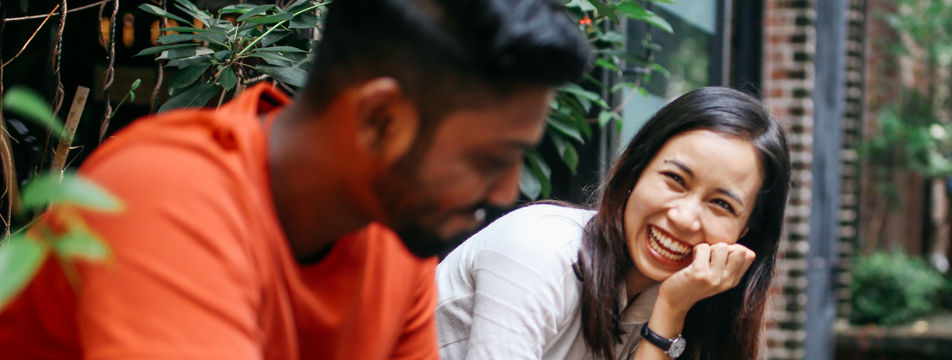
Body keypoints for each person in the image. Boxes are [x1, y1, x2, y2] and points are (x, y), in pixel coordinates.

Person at [0, 0, 589, 358]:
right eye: (489, 159)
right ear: (381, 118)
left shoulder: (395, 242)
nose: (507, 192)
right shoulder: (169, 197)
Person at [435, 87, 791, 359]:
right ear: (636, 171)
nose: (683, 218)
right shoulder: (540, 250)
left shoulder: (681, 299)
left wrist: (670, 311)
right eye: (675, 179)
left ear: (743, 234)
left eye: (720, 203)